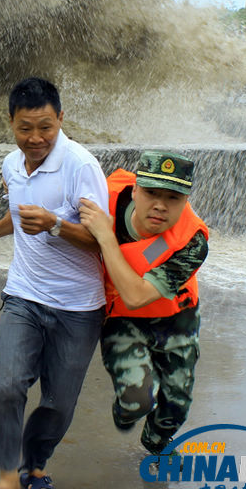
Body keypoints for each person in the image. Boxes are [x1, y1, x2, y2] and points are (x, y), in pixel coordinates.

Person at [0, 77, 109, 489]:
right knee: (5, 387)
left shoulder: (82, 166)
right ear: (10, 122)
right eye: (25, 128)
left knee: (58, 404)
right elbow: (19, 211)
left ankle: (35, 465)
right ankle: (7, 475)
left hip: (78, 307)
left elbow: (103, 240)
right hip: (24, 296)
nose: (36, 138)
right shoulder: (12, 164)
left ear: (61, 119)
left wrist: (56, 225)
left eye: (45, 127)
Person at [78, 151, 208, 459]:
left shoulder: (192, 240)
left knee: (177, 404)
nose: (160, 205)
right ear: (135, 188)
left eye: (173, 198)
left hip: (177, 318)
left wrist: (106, 239)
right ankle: (127, 409)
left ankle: (156, 441)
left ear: (186, 200)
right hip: (123, 317)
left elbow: (138, 295)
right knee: (136, 401)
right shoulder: (105, 195)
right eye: (151, 192)